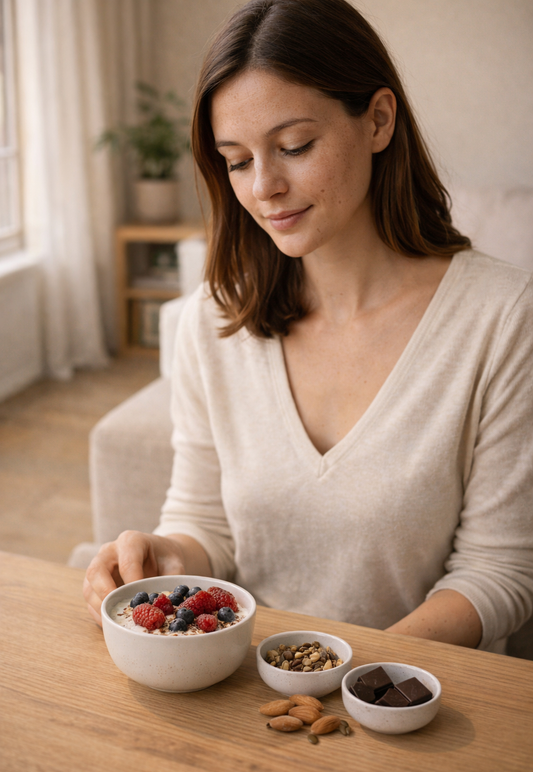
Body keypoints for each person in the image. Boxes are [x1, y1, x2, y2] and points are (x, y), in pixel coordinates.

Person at [84, 0, 533, 652]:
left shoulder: (501, 317)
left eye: (293, 146)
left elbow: (498, 573)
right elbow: (205, 526)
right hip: (249, 690)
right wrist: (162, 558)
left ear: (378, 120)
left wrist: (342, 673)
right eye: (237, 161)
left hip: (410, 706)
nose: (264, 186)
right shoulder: (214, 319)